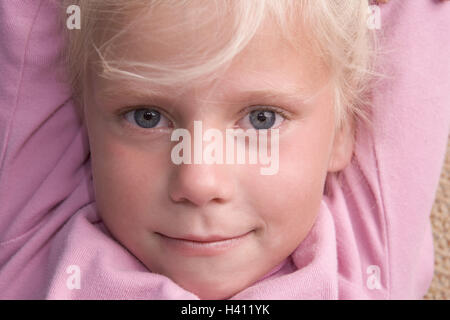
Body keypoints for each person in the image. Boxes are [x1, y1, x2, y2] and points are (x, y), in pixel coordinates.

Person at [0, 0, 448, 299]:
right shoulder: (35, 241)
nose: (199, 180)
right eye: (148, 117)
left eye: (261, 119)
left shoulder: (367, 259)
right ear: (87, 117)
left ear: (341, 131)